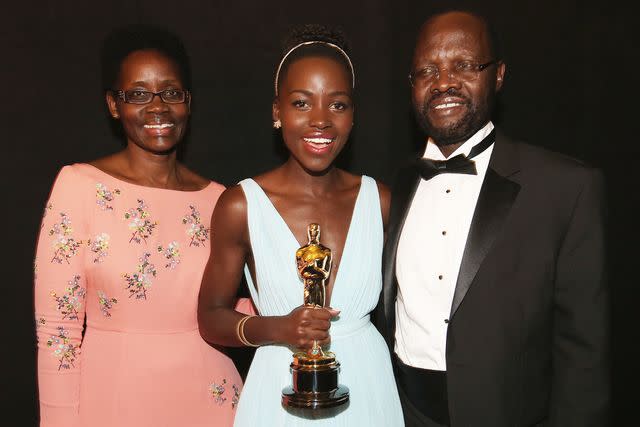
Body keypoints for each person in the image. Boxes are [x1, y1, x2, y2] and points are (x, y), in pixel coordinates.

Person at [374, 10, 610, 427]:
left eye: (464, 65)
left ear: (498, 75)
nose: (444, 81)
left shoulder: (566, 187)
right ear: (411, 86)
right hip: (402, 413)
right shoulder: (400, 183)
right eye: (427, 70)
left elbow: (584, 354)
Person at [33, 26, 248, 427]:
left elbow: (219, 309)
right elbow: (57, 332)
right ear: (114, 105)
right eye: (138, 93)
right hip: (113, 404)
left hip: (214, 403)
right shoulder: (78, 186)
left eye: (170, 93)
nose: (157, 107)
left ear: (188, 102)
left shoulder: (221, 199)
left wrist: (283, 313)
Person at [197, 24, 404, 426]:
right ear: (278, 112)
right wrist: (280, 328)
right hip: (278, 391)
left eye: (338, 105)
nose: (321, 121)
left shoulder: (379, 200)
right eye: (302, 103)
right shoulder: (241, 205)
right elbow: (210, 316)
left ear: (353, 115)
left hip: (368, 388)